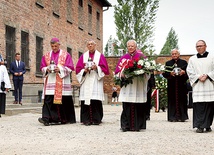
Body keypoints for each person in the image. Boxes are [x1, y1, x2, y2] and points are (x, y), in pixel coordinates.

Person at [38, 38, 76, 126]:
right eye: (52, 46)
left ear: (59, 45)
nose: (54, 48)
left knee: (61, 102)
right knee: (48, 100)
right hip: (50, 81)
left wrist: (60, 69)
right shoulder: (47, 55)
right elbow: (42, 67)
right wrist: (46, 69)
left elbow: (70, 67)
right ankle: (46, 118)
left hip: (61, 82)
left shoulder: (66, 55)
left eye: (55, 46)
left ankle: (61, 119)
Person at [114, 40, 150, 132]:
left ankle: (138, 125)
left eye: (132, 46)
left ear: (136, 47)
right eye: (129, 46)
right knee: (127, 105)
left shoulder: (142, 57)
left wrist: (141, 73)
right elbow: (117, 71)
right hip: (128, 86)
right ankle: (125, 126)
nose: (130, 47)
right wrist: (121, 74)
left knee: (138, 105)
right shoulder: (124, 58)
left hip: (138, 84)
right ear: (127, 47)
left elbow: (148, 71)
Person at [76, 40, 109, 126]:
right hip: (86, 79)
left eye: (92, 44)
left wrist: (96, 68)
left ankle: (96, 119)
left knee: (95, 100)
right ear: (87, 46)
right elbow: (78, 69)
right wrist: (84, 70)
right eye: (88, 44)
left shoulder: (100, 56)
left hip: (95, 81)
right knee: (86, 100)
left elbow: (104, 69)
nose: (90, 46)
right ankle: (86, 120)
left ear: (95, 45)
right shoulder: (83, 56)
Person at [186, 40, 214, 133]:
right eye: (197, 46)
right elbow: (189, 71)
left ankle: (208, 125)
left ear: (205, 46)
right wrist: (198, 77)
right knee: (198, 106)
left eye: (201, 46)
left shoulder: (212, 57)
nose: (199, 48)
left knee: (209, 106)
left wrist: (208, 75)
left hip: (209, 85)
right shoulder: (192, 59)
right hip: (198, 86)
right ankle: (200, 126)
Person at [162, 49, 189, 122]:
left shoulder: (184, 62)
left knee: (182, 100)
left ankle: (182, 116)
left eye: (176, 54)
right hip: (172, 85)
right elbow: (164, 73)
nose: (174, 55)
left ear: (179, 54)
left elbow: (189, 73)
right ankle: (172, 117)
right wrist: (170, 74)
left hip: (181, 85)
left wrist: (184, 73)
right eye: (173, 54)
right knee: (172, 100)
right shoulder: (168, 63)